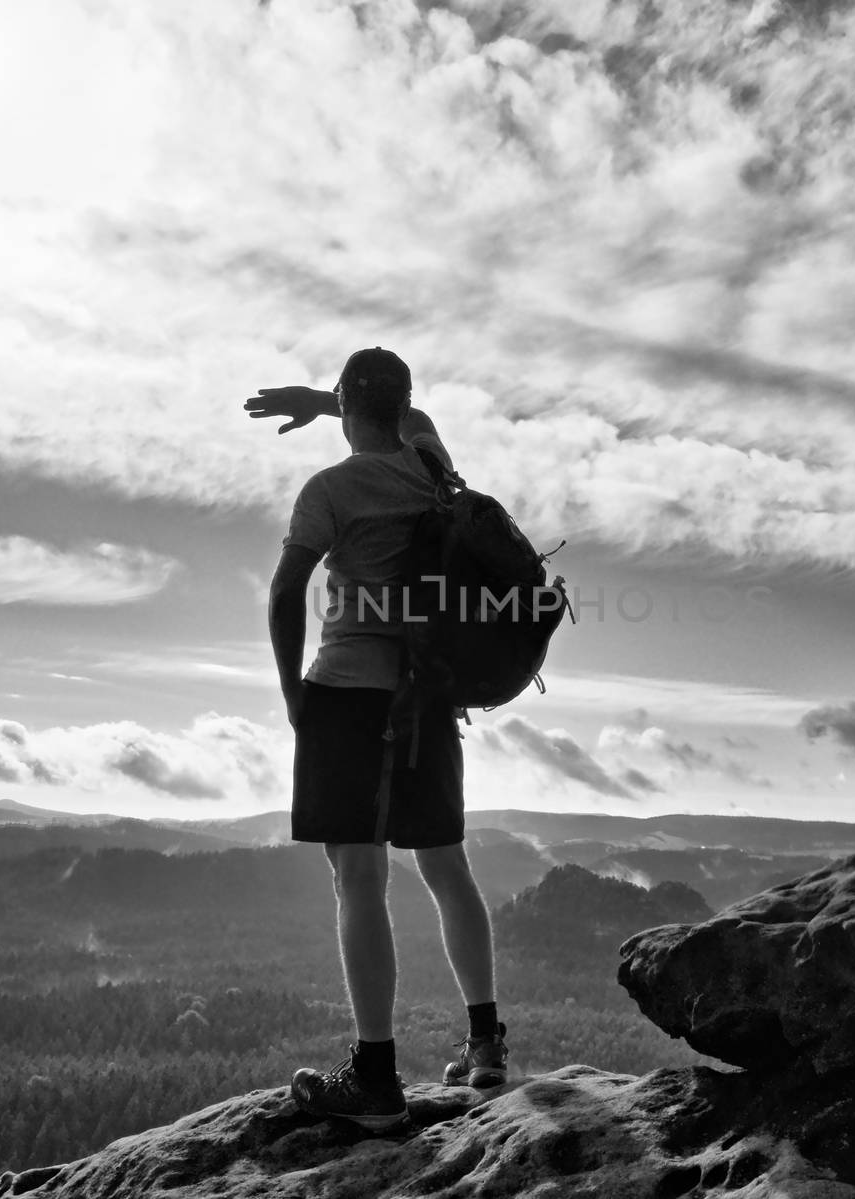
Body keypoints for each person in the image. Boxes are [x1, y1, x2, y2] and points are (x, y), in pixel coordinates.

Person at [245, 347, 507, 1132]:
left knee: (358, 880)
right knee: (445, 865)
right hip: (427, 691)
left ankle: (375, 1076)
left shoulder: (329, 491)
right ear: (404, 402)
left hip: (349, 691)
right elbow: (396, 416)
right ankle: (487, 1043)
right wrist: (329, 400)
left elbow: (288, 588)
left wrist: (296, 697)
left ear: (343, 404)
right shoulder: (429, 457)